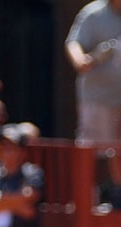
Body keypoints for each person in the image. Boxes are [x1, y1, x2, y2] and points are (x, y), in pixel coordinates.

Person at [65, 0, 121, 207]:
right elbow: (73, 44)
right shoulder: (93, 14)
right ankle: (84, 200)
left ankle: (118, 198)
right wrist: (85, 59)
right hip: (97, 100)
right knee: (91, 151)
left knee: (117, 150)